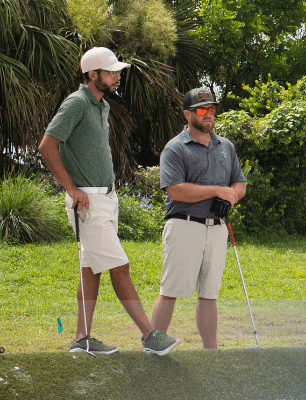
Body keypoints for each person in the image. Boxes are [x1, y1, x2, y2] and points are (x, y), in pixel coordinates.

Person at [38, 47, 182, 355]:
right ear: (93, 75)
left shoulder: (101, 105)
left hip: (106, 199)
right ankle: (150, 336)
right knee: (120, 266)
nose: (118, 76)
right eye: (112, 71)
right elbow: (47, 146)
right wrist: (72, 189)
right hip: (86, 202)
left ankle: (81, 338)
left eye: (118, 71)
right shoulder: (77, 103)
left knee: (91, 270)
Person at [151, 87, 247, 349]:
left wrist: (231, 196)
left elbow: (239, 183)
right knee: (170, 290)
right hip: (184, 225)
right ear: (187, 114)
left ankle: (210, 351)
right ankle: (154, 345)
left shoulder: (225, 146)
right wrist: (217, 190)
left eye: (212, 110)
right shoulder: (175, 148)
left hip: (216, 228)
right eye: (202, 110)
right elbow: (175, 189)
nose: (209, 115)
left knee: (209, 295)